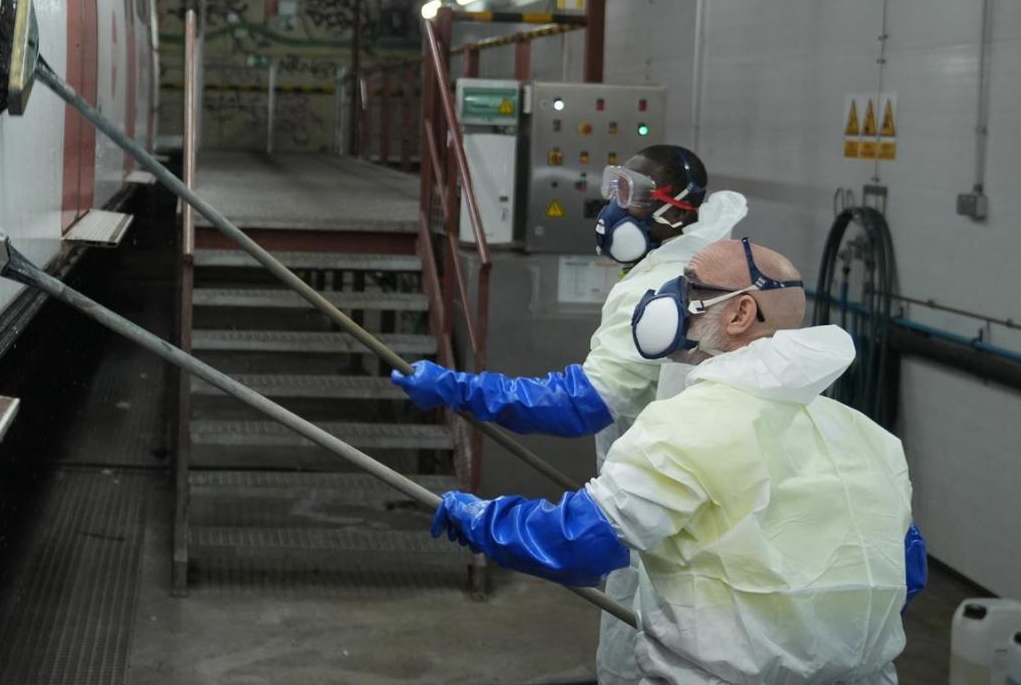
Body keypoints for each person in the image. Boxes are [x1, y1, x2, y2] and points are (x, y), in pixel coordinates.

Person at [426, 238, 927, 685]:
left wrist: (483, 520)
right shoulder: (869, 436)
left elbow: (577, 543)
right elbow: (905, 575)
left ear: (739, 314)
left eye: (690, 287)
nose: (668, 299)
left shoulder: (685, 424)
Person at [392, 144, 746, 685]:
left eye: (629, 194)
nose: (610, 208)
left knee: (650, 658)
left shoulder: (661, 288)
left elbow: (582, 404)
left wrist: (460, 391)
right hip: (718, 521)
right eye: (614, 187)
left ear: (673, 213)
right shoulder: (720, 270)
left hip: (667, 522)